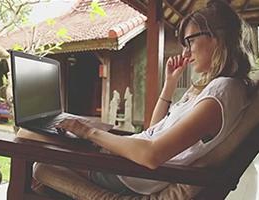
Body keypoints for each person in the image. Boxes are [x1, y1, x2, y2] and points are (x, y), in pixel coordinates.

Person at [34, 0, 258, 196]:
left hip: (132, 174)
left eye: (190, 41)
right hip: (132, 161)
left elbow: (152, 155)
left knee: (39, 162)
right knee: (42, 137)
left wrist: (89, 132)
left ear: (218, 37)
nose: (186, 52)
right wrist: (169, 84)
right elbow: (153, 129)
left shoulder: (223, 90)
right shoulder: (219, 88)